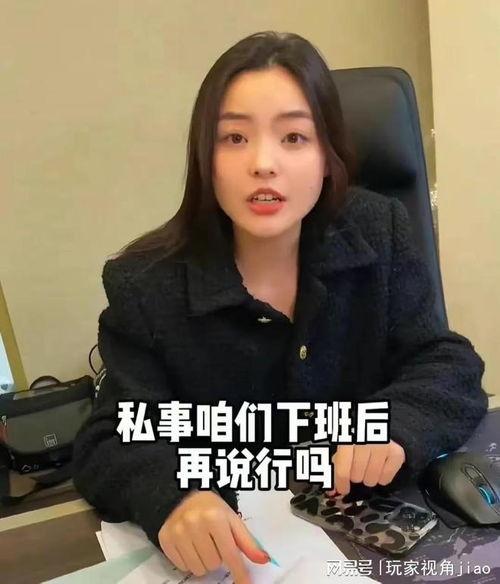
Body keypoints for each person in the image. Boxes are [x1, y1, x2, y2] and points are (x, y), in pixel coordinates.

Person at [72, 31, 488, 583]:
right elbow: (110, 438)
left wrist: (394, 424)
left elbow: (446, 362)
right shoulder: (146, 283)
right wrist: (175, 496)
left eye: (293, 137)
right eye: (234, 138)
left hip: (366, 536)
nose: (264, 164)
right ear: (205, 158)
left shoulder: (378, 232)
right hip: (238, 552)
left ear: (326, 156)